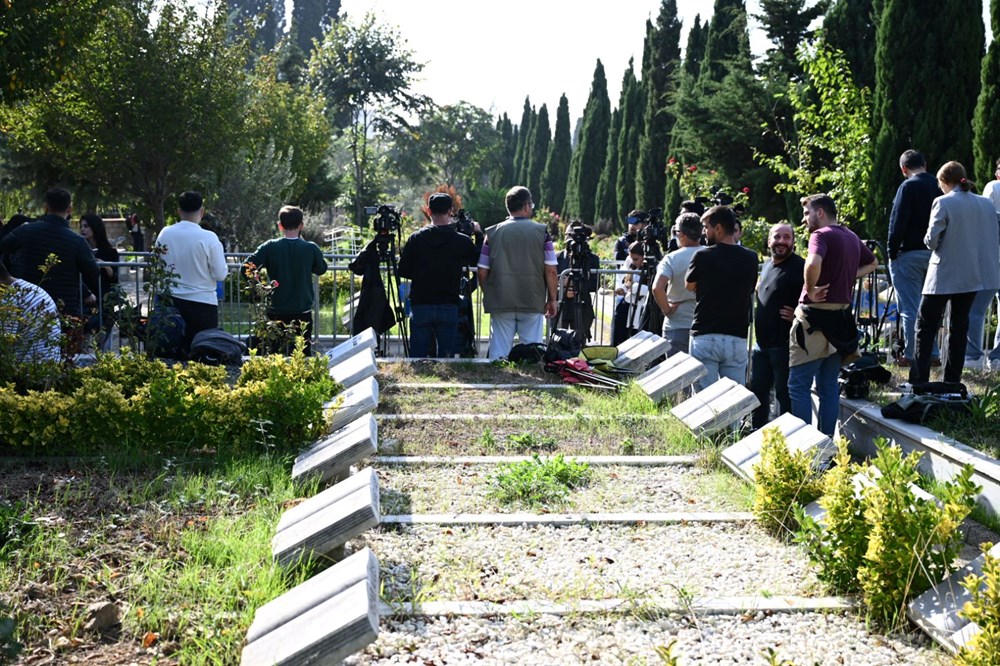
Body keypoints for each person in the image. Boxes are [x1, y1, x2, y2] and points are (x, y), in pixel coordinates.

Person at [788, 194, 878, 436]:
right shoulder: (851, 236)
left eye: (807, 213)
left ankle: (803, 448)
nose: (804, 219)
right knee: (828, 387)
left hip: (814, 319)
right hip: (840, 321)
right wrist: (847, 277)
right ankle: (825, 444)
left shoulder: (820, 235)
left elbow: (812, 263)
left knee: (798, 385)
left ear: (820, 213)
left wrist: (810, 288)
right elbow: (873, 263)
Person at [910, 162, 1000, 385]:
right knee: (959, 328)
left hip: (943, 274)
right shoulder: (985, 204)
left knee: (925, 327)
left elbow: (931, 241)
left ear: (943, 182)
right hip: (972, 274)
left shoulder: (942, 202)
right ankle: (952, 380)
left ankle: (919, 379)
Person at [398, 193, 483, 358]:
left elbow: (403, 270)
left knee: (417, 358)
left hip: (421, 303)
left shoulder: (416, 239)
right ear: (451, 211)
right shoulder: (462, 241)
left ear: (429, 211)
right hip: (449, 303)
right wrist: (479, 235)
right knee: (447, 359)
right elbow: (478, 260)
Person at [478, 186, 558, 360]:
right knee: (532, 351)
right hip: (532, 298)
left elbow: (482, 271)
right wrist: (552, 299)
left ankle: (498, 381)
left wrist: (490, 292)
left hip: (501, 298)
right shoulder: (541, 232)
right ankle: (531, 382)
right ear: (526, 205)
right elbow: (551, 269)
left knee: (499, 351)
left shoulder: (491, 233)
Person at [684, 205, 759, 391]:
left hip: (706, 332)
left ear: (718, 228)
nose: (704, 232)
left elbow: (689, 285)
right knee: (733, 397)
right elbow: (750, 287)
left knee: (703, 398)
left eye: (706, 227)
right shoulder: (751, 257)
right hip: (737, 336)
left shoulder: (702, 255)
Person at [0, 188, 100, 319]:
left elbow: (4, 246)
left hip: (28, 305)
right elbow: (93, 272)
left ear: (45, 207)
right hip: (64, 310)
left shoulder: (25, 231)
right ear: (70, 209)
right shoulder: (77, 241)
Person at [245, 205, 328, 355]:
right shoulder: (311, 248)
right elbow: (321, 269)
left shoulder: (270, 247)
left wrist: (259, 286)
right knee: (302, 354)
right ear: (301, 225)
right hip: (302, 310)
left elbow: (247, 267)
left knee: (275, 353)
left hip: (275, 309)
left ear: (280, 226)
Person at [887, 149, 942, 367]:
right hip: (934, 253)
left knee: (910, 308)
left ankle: (912, 354)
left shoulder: (907, 186)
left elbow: (897, 221)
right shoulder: (939, 186)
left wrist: (891, 252)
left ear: (903, 169)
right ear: (925, 164)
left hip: (908, 254)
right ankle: (933, 352)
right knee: (930, 308)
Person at [154, 191, 228, 352]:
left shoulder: (165, 233)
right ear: (202, 211)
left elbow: (158, 263)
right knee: (202, 355)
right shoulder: (209, 238)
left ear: (178, 211)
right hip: (202, 303)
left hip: (169, 300)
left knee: (167, 354)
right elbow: (220, 274)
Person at [749, 223, 804, 430]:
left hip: (784, 345)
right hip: (761, 344)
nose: (781, 241)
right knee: (759, 391)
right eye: (777, 237)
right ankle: (758, 432)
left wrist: (798, 315)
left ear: (793, 242)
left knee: (784, 392)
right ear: (769, 241)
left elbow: (813, 299)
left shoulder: (801, 266)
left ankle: (788, 437)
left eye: (787, 237)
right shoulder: (767, 265)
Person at [966, 157, 1000, 371]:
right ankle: (997, 357)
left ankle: (973, 355)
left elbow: (984, 218)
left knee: (975, 309)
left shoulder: (994, 186)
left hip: (992, 258)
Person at [652, 213, 702, 357]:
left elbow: (657, 287)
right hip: (705, 325)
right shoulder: (710, 254)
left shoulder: (671, 258)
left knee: (677, 375)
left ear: (682, 234)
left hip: (677, 323)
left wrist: (667, 309)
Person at [0, 259, 62, 363]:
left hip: (27, 372)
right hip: (45, 368)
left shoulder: (8, 298)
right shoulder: (28, 288)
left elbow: (4, 347)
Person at [555, 220, 599, 344]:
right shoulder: (557, 258)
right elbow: (549, 282)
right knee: (557, 341)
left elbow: (595, 285)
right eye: (568, 235)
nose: (570, 239)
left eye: (573, 236)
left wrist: (576, 286)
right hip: (561, 306)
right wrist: (561, 289)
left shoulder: (592, 259)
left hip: (583, 303)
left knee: (579, 342)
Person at [79, 213, 120, 334]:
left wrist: (105, 265)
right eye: (81, 226)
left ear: (95, 227)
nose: (82, 229)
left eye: (86, 226)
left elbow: (115, 279)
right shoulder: (79, 248)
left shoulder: (110, 252)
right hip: (85, 298)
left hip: (103, 299)